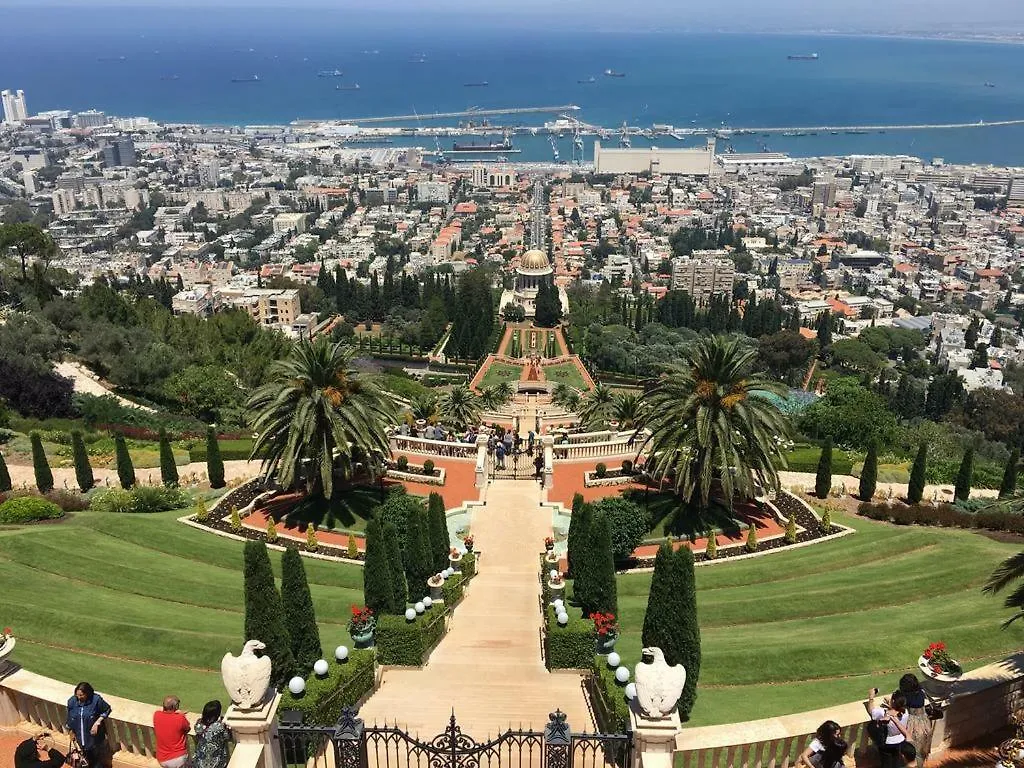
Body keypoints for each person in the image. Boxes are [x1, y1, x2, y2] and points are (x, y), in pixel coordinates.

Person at [67, 682, 112, 768]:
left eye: (81, 695)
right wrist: (70, 731)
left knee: (96, 762)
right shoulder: (72, 702)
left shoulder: (96, 700)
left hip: (94, 739)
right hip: (80, 738)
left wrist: (97, 722)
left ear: (87, 693)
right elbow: (70, 717)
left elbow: (107, 709)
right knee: (85, 761)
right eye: (77, 695)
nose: (79, 698)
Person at [868, 689, 911, 768]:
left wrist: (871, 697)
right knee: (896, 761)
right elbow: (897, 711)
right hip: (900, 741)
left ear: (893, 701)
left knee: (886, 763)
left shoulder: (883, 713)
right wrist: (890, 704)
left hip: (887, 743)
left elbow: (871, 710)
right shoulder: (906, 712)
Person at [899, 674, 933, 768]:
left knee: (912, 749)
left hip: (912, 724)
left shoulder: (905, 696)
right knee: (922, 750)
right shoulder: (922, 692)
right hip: (925, 722)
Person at [153, 696, 191, 768]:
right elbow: (188, 728)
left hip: (162, 759)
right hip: (178, 758)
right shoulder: (180, 718)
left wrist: (178, 714)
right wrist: (181, 715)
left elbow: (167, 718)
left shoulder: (156, 714)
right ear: (176, 707)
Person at [192, 701, 231, 768]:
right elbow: (227, 737)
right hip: (217, 762)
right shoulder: (220, 726)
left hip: (200, 761)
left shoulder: (198, 724)